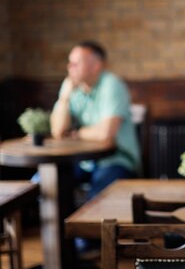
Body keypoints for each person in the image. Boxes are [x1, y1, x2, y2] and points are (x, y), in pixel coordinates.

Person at [49, 40, 142, 198]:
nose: (69, 67)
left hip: (116, 159)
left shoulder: (112, 85)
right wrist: (64, 97)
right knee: (45, 186)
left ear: (96, 66)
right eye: (70, 62)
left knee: (96, 200)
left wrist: (76, 133)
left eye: (76, 63)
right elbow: (58, 131)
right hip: (83, 161)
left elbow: (105, 134)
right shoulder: (73, 89)